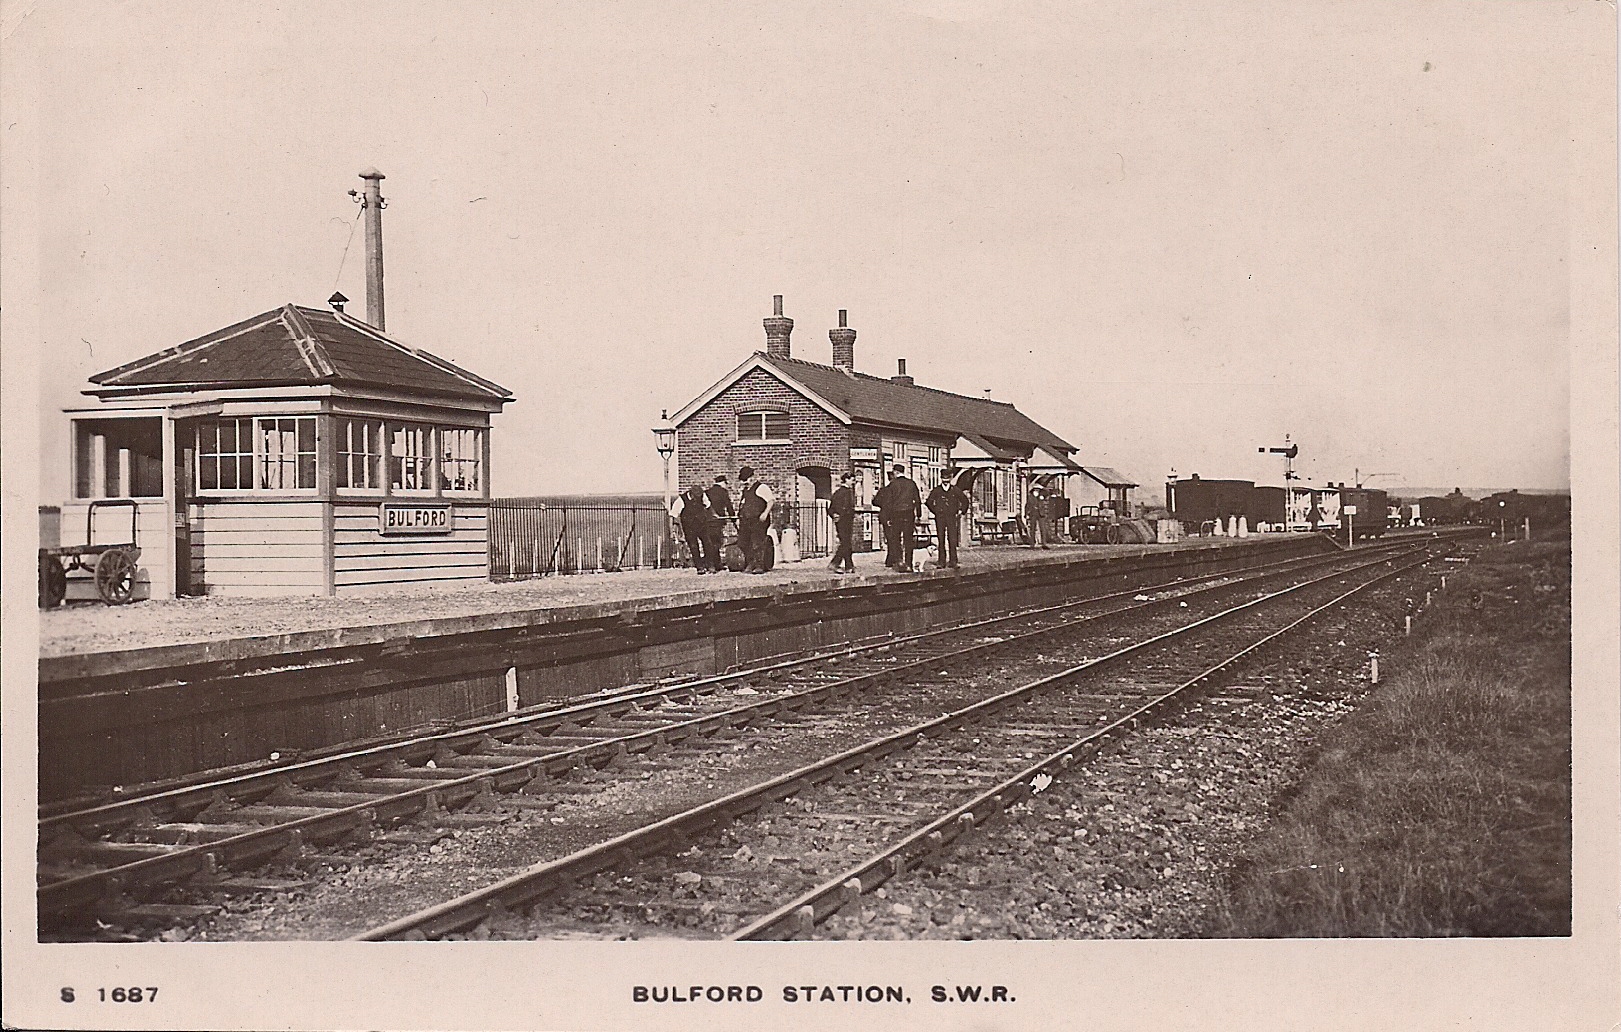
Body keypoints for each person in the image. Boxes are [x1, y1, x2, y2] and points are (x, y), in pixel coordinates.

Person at [877, 463, 921, 572]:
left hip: (896, 514)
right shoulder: (911, 483)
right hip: (909, 513)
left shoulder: (892, 484)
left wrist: (887, 518)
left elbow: (888, 503)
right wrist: (918, 515)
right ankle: (909, 564)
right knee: (908, 540)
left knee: (896, 539)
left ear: (895, 472)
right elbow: (918, 500)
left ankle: (900, 562)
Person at [737, 466, 776, 573]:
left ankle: (759, 565)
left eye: (747, 480)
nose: (745, 482)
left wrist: (765, 513)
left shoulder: (762, 488)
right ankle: (751, 562)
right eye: (743, 480)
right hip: (746, 521)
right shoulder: (745, 491)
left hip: (758, 520)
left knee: (757, 542)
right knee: (743, 542)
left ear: (753, 477)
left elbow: (771, 501)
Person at [926, 468, 966, 568]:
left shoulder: (955, 490)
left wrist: (961, 511)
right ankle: (941, 561)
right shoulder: (937, 490)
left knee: (952, 539)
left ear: (950, 478)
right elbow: (929, 502)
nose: (945, 481)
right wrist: (936, 511)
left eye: (947, 479)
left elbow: (965, 501)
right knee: (941, 538)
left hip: (952, 517)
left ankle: (953, 561)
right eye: (943, 479)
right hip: (940, 517)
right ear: (941, 479)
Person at [674, 479, 715, 573]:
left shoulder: (702, 496)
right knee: (693, 546)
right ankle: (699, 567)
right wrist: (676, 529)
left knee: (708, 544)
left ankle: (710, 565)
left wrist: (713, 515)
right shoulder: (681, 499)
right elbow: (674, 514)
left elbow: (708, 506)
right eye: (696, 496)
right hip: (689, 527)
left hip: (702, 524)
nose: (698, 498)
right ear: (691, 494)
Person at [828, 471, 857, 573]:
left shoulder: (839, 492)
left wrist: (834, 514)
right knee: (845, 543)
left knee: (847, 543)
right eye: (852, 480)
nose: (853, 483)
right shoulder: (845, 492)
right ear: (846, 480)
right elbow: (835, 508)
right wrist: (836, 514)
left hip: (843, 520)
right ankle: (835, 563)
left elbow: (831, 509)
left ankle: (849, 565)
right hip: (844, 520)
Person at [704, 473, 735, 571]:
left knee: (710, 542)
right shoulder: (723, 492)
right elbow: (729, 506)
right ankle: (714, 565)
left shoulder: (707, 492)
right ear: (722, 483)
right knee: (716, 542)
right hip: (718, 520)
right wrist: (733, 517)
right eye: (726, 483)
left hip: (707, 521)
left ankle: (715, 564)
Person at [1026, 481, 1050, 549]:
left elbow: (1048, 493)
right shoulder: (1030, 497)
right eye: (1035, 489)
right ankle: (1032, 544)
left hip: (1041, 514)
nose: (1036, 491)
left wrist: (1042, 488)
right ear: (1033, 490)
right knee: (1032, 529)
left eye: (1038, 490)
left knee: (1043, 528)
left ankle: (1044, 544)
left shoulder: (1041, 496)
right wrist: (1026, 514)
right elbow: (1027, 506)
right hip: (1033, 513)